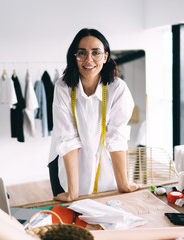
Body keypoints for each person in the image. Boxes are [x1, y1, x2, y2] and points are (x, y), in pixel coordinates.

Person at [48, 28, 140, 201]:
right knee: (71, 220)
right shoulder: (63, 87)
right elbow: (68, 139)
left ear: (105, 57)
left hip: (105, 165)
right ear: (74, 57)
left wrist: (123, 183)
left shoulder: (117, 88)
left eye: (96, 53)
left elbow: (116, 137)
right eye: (82, 53)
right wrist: (72, 191)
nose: (89, 59)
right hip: (66, 164)